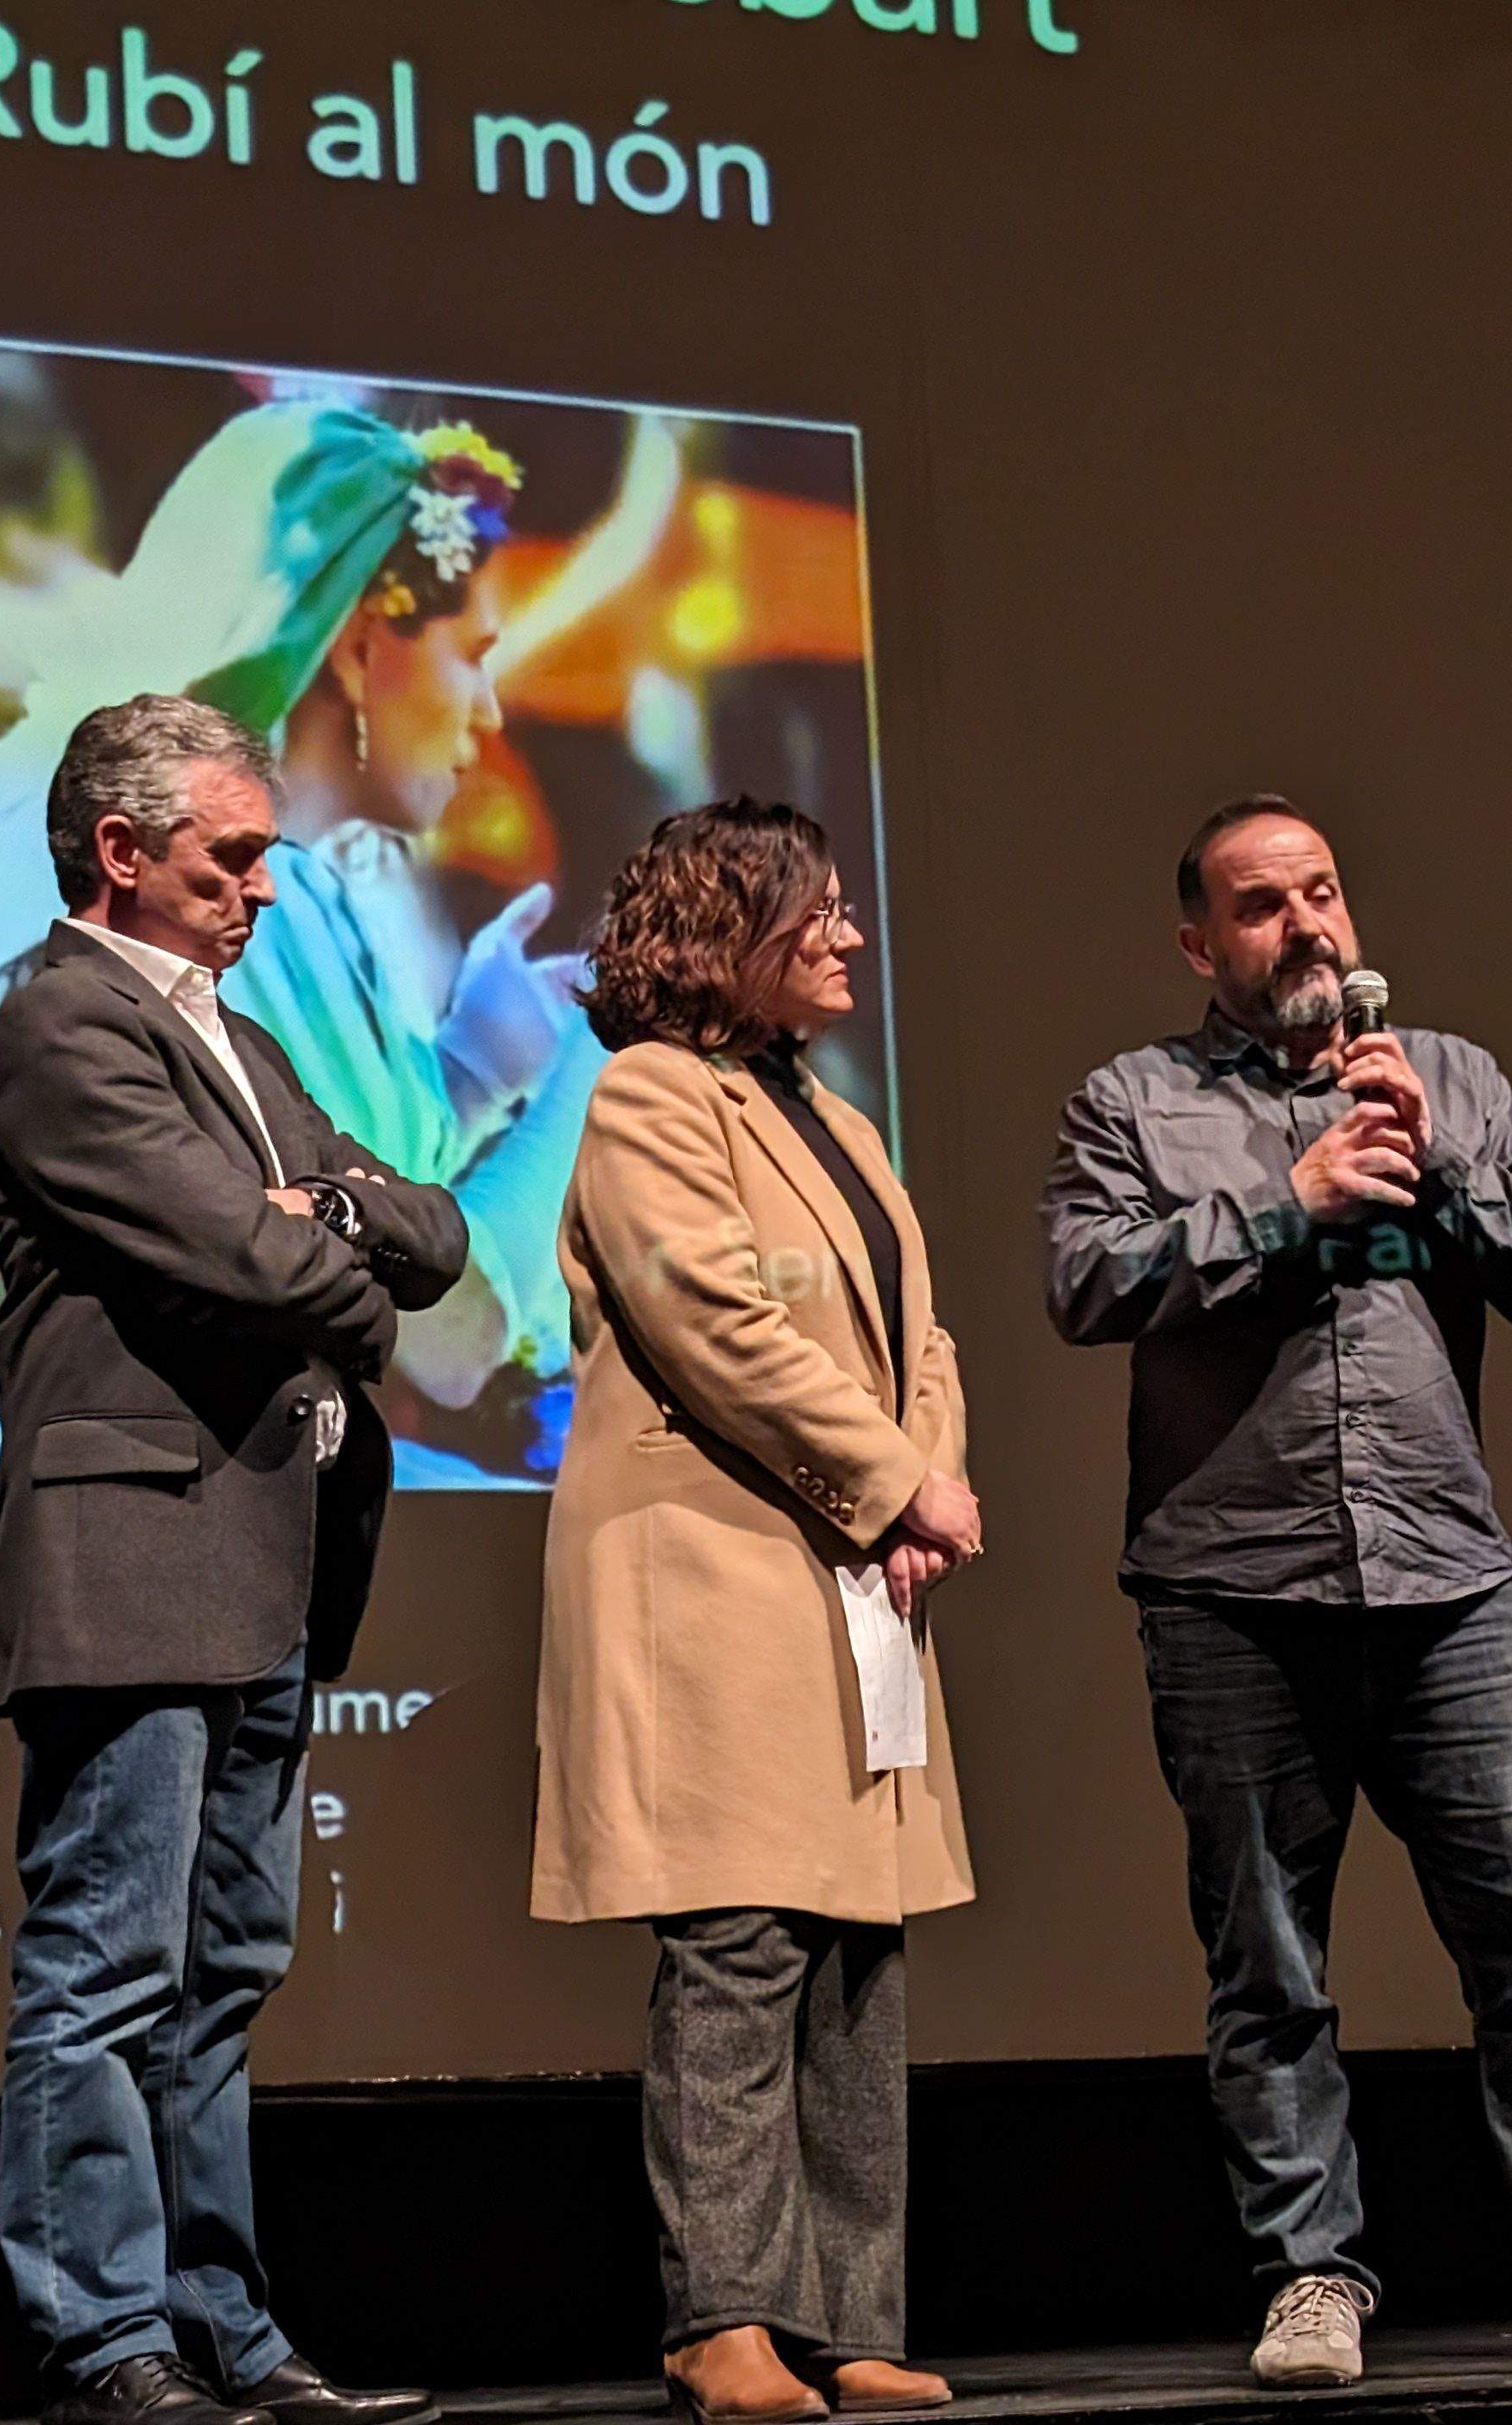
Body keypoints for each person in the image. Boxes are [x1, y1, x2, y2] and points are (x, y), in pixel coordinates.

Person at [1040, 796, 1512, 2388]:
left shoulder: (1450, 1078)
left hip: (1443, 1577)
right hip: (1231, 1586)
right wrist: (1297, 1203)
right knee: (1268, 1965)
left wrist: (1441, 1162)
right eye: (1265, 907)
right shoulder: (1134, 1096)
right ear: (1202, 941)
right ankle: (1311, 2275)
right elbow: (1084, 1279)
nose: (1310, 927)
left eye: (1323, 892)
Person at [0, 398, 646, 1479]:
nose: (491, 713)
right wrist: (599, 1059)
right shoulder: (238, 927)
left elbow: (324, 1192)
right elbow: (451, 1342)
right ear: (365, 643)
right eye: (472, 655)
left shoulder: (278, 910)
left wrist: (472, 1068)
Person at [0, 696, 469, 2425]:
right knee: (109, 1963)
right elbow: (254, 1266)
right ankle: (105, 2339)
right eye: (230, 856)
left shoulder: (238, 1048)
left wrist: (317, 1215)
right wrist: (325, 1236)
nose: (265, 887)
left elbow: (429, 1226)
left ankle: (227, 2334)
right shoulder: (61, 1023)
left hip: (263, 1559)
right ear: (122, 852)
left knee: (227, 1972)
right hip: (134, 1553)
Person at [532, 801, 982, 2425]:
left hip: (843, 1565)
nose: (854, 938)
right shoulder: (653, 1096)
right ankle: (721, 2316)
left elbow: (920, 1333)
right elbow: (709, 1317)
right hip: (712, 1564)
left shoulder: (841, 1124)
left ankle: (852, 2313)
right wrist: (891, 1481)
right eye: (823, 914)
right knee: (740, 1935)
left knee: (859, 1940)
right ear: (733, 933)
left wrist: (924, 1477)